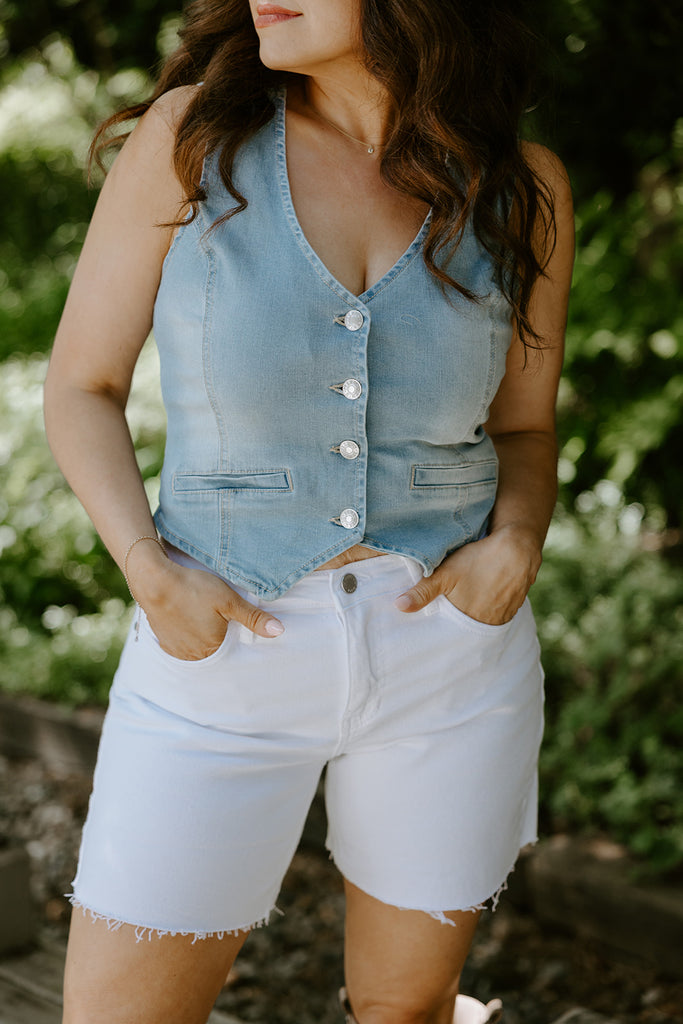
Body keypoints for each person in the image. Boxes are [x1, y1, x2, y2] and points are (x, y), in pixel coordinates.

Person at [44, 0, 574, 1020]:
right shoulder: (194, 139)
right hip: (219, 646)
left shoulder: (518, 183)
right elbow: (80, 385)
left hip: (449, 661)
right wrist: (147, 569)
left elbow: (524, 429)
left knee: (406, 1011)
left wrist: (514, 542)